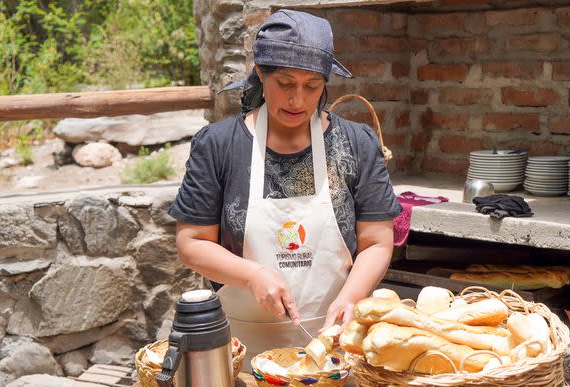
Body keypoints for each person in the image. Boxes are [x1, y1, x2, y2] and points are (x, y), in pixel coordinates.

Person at [169, 9, 402, 360]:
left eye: (312, 86)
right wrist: (252, 275)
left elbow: (377, 242)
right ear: (261, 73)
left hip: (336, 347)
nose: (298, 101)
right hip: (239, 355)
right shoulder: (218, 145)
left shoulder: (356, 143)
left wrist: (351, 298)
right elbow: (191, 243)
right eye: (286, 84)